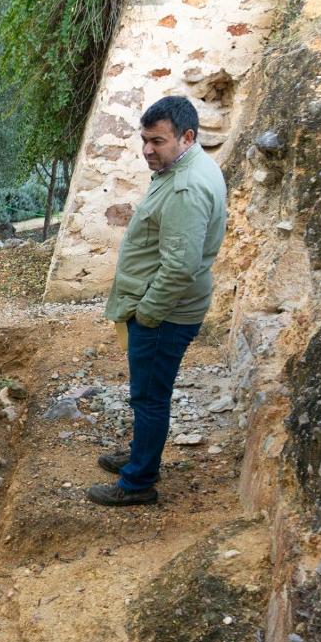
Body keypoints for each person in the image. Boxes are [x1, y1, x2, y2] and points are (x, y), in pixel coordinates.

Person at [87, 95, 226, 506]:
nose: (147, 149)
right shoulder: (184, 165)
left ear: (186, 137)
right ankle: (139, 455)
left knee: (149, 396)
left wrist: (146, 314)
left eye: (157, 142)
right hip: (165, 310)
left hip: (164, 315)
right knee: (148, 392)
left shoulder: (185, 186)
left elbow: (180, 267)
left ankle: (137, 482)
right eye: (144, 140)